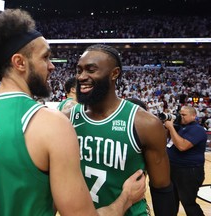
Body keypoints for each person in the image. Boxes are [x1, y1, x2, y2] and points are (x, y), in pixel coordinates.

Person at [0, 9, 146, 216]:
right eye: (46, 57)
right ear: (19, 62)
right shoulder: (50, 124)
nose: (51, 66)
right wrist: (125, 199)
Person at [68, 44, 176, 216]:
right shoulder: (68, 118)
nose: (81, 77)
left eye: (91, 70)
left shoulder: (145, 124)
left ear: (114, 73)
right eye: (79, 70)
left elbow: (162, 188)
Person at [165, 105, 207, 216]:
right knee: (171, 202)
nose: (181, 117)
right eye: (180, 114)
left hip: (189, 171)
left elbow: (182, 146)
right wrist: (168, 127)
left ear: (194, 116)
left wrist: (171, 128)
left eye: (184, 115)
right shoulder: (180, 127)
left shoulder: (197, 130)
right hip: (174, 169)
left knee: (188, 203)